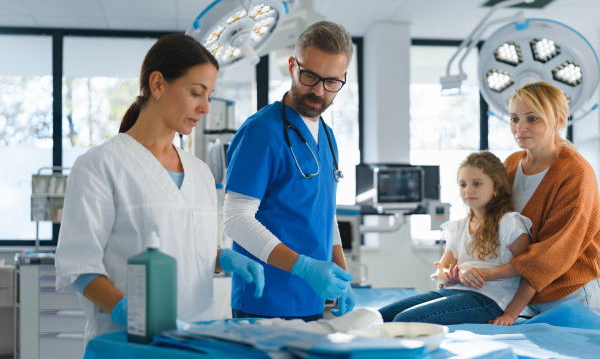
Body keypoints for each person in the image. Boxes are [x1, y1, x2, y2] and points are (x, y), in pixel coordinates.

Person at [55, 34, 265, 346]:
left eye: (209, 95)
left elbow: (194, 250)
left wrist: (225, 259)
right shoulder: (100, 165)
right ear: (157, 85)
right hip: (130, 343)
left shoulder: (201, 173)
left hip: (195, 340)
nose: (205, 107)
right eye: (197, 93)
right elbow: (80, 267)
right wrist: (128, 309)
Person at [223, 21, 355, 321]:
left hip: (312, 301)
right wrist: (303, 267)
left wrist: (342, 276)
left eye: (332, 82)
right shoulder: (261, 132)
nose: (319, 91)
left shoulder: (328, 136)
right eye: (310, 76)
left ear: (343, 78)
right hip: (265, 302)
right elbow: (235, 220)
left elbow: (324, 212)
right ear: (292, 65)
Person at [446, 81, 600, 316]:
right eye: (514, 119)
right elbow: (491, 221)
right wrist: (459, 266)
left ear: (559, 121)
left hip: (568, 295)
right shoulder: (510, 164)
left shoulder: (576, 172)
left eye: (532, 118)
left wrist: (485, 274)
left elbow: (554, 251)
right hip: (518, 295)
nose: (520, 128)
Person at [379, 152, 536, 325]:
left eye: (477, 183)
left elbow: (532, 273)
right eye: (463, 184)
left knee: (404, 320)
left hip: (488, 299)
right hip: (451, 291)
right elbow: (441, 274)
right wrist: (455, 274)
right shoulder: (458, 227)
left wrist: (511, 315)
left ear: (496, 187)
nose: (468, 190)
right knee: (379, 317)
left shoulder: (509, 223)